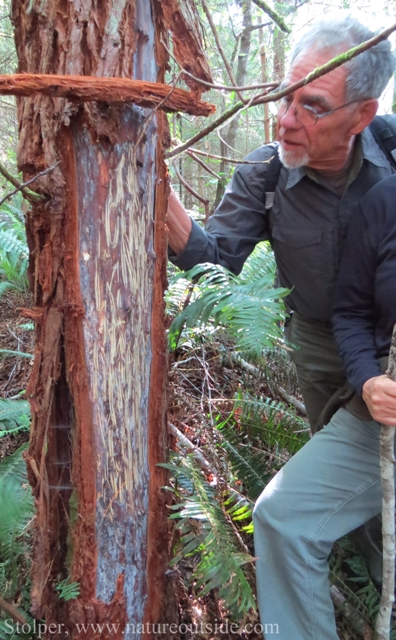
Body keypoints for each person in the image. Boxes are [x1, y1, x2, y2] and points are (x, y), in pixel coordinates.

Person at [167, 14, 395, 434]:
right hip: (318, 349)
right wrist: (156, 187)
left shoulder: (391, 155)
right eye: (285, 97)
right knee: (333, 461)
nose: (286, 121)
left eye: (313, 107)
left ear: (362, 116)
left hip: (389, 341)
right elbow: (215, 260)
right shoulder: (264, 174)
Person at [252, 173, 396, 640]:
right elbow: (351, 310)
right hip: (383, 418)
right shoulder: (386, 200)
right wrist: (368, 378)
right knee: (282, 515)